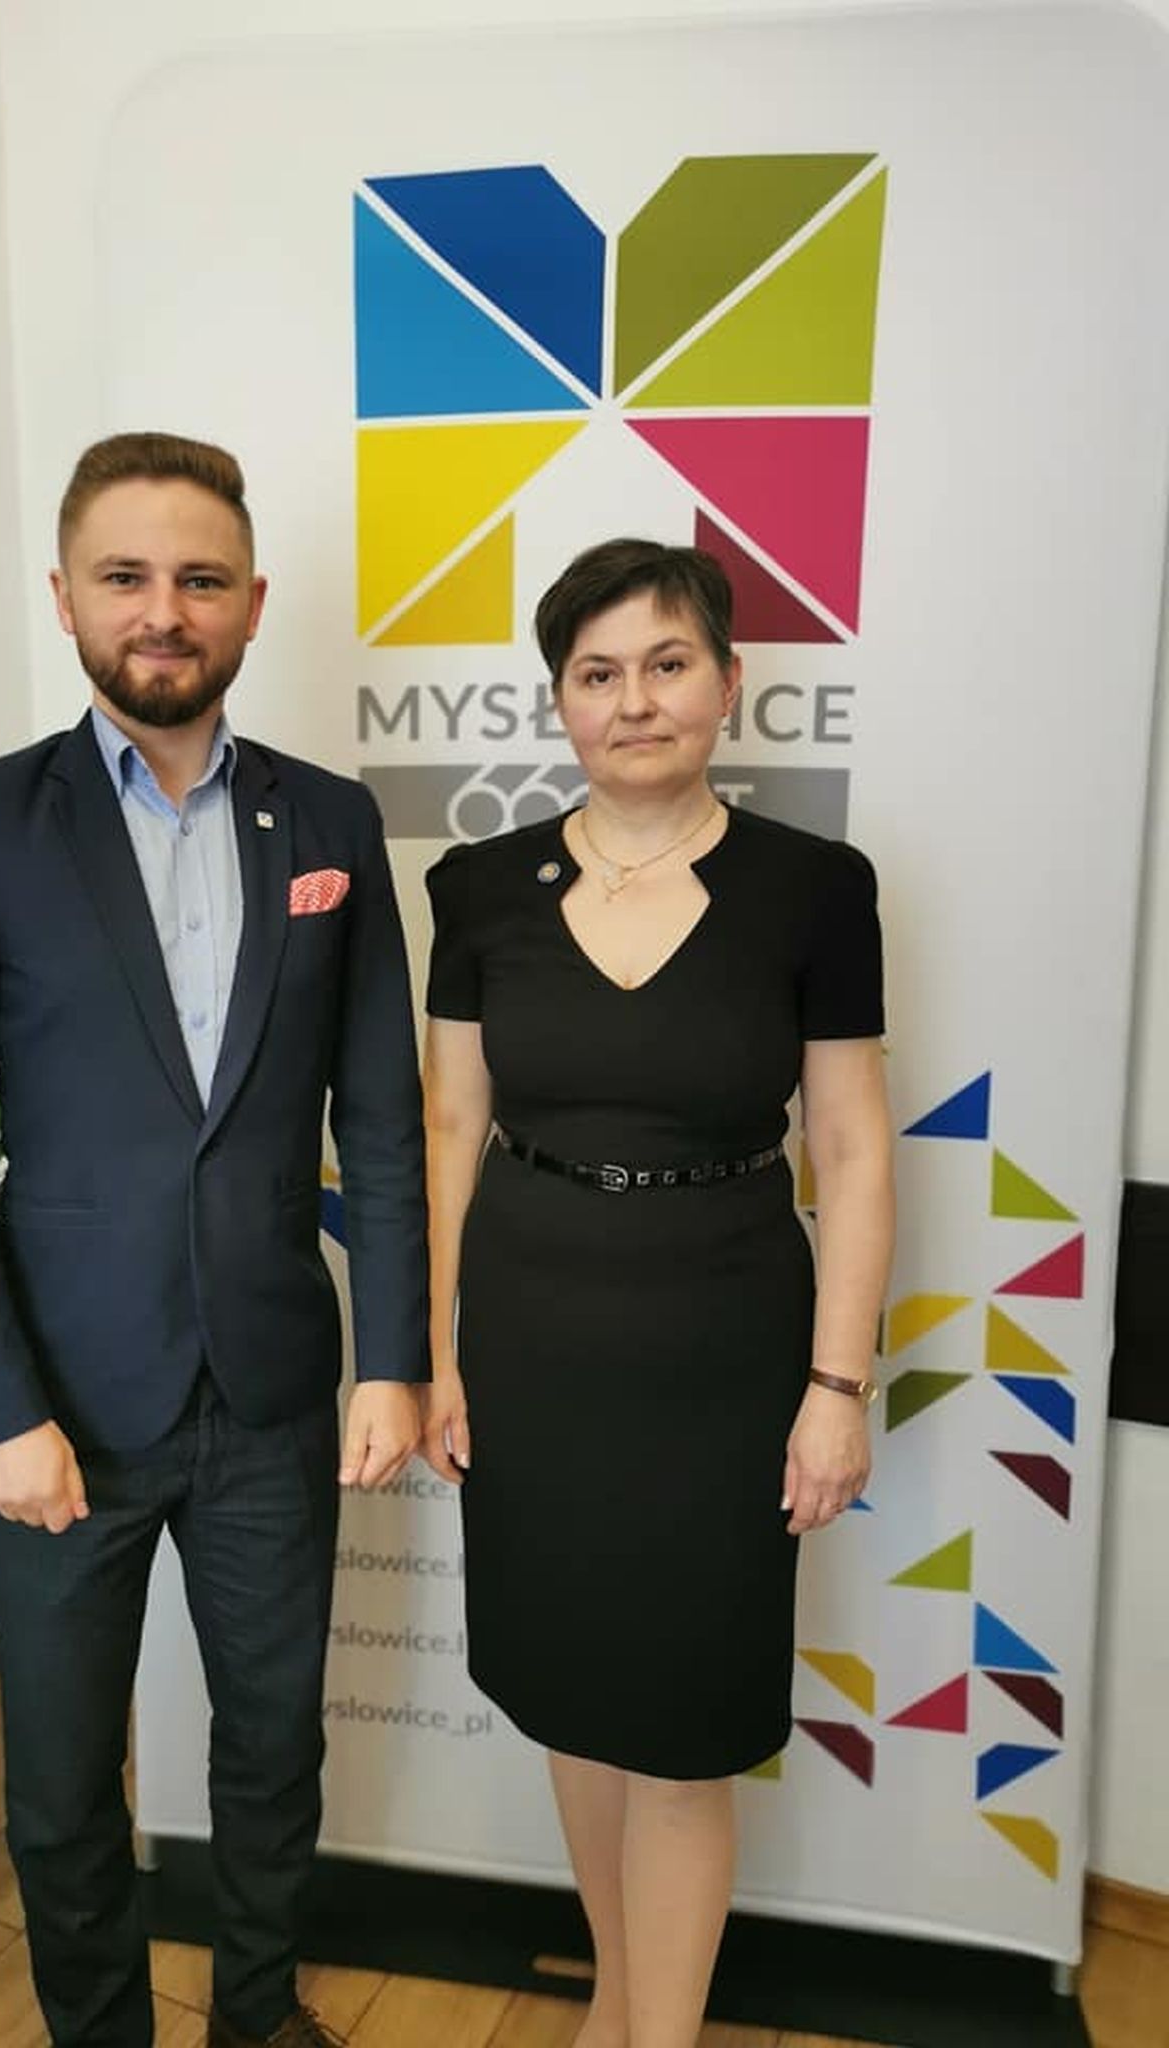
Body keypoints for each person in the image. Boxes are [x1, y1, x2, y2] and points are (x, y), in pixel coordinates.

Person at [0, 432, 427, 2048]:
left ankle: (256, 2014)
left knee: (273, 1750)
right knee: (58, 1788)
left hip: (270, 1396)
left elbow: (383, 1122)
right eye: (125, 576)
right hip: (57, 1409)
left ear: (253, 602)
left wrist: (392, 1357)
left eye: (200, 578)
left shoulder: (331, 822)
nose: (163, 610)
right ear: (65, 597)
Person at [419, 539, 894, 2048]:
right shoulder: (478, 888)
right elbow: (448, 1130)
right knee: (574, 1699)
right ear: (560, 698)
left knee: (686, 1737)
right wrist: (440, 1358)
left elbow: (852, 1148)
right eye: (599, 672)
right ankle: (618, 2002)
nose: (634, 701)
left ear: (728, 683)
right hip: (531, 1347)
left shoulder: (815, 891)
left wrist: (836, 1390)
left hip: (726, 1359)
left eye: (668, 664)